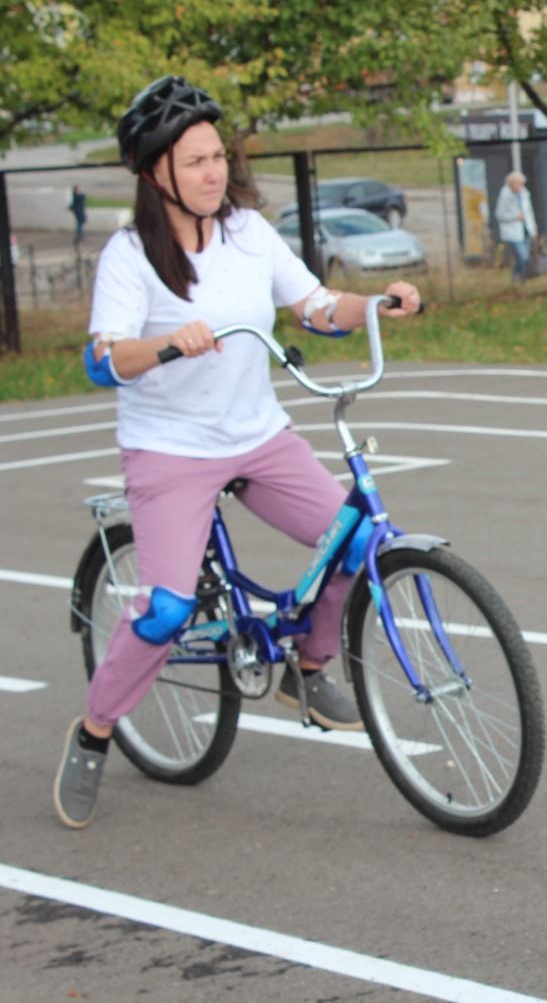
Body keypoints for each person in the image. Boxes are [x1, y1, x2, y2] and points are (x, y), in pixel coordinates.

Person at [54, 76, 423, 830]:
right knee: (165, 609)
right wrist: (163, 344)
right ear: (154, 172)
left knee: (356, 532)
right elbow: (101, 361)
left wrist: (377, 303)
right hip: (169, 452)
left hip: (257, 434)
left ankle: (309, 669)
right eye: (194, 162)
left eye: (217, 156)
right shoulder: (131, 257)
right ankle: (95, 732)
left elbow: (317, 308)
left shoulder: (248, 233)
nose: (213, 172)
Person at [494, 170, 538, 281]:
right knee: (523, 256)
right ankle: (516, 278)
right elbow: (499, 215)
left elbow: (529, 213)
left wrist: (533, 229)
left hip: (526, 230)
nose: (521, 186)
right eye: (519, 183)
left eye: (522, 184)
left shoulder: (524, 194)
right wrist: (515, 216)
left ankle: (520, 279)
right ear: (512, 183)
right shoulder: (504, 196)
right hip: (513, 232)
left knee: (523, 257)